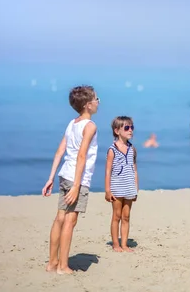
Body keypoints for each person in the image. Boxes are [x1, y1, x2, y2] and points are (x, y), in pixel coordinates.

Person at [41, 85, 99, 274]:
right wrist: (77, 185)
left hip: (64, 174)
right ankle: (63, 266)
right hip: (77, 178)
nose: (99, 102)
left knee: (59, 218)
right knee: (69, 221)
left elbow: (60, 151)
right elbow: (81, 156)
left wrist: (50, 178)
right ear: (88, 105)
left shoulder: (72, 123)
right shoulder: (90, 126)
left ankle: (52, 263)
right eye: (97, 99)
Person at [105, 116, 139, 252]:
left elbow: (134, 170)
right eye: (126, 128)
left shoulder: (132, 149)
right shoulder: (112, 150)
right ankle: (116, 244)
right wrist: (108, 190)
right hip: (117, 187)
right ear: (117, 130)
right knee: (116, 216)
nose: (130, 130)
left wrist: (136, 188)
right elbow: (108, 171)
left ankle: (124, 244)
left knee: (126, 216)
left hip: (129, 187)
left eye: (132, 127)